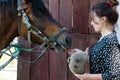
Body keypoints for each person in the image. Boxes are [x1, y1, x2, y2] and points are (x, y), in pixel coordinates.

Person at [68, 1, 120, 80]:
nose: (91, 23)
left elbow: (115, 74)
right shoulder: (104, 38)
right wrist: (82, 54)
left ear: (103, 19)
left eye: (93, 19)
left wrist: (88, 77)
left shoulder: (111, 41)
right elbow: (101, 60)